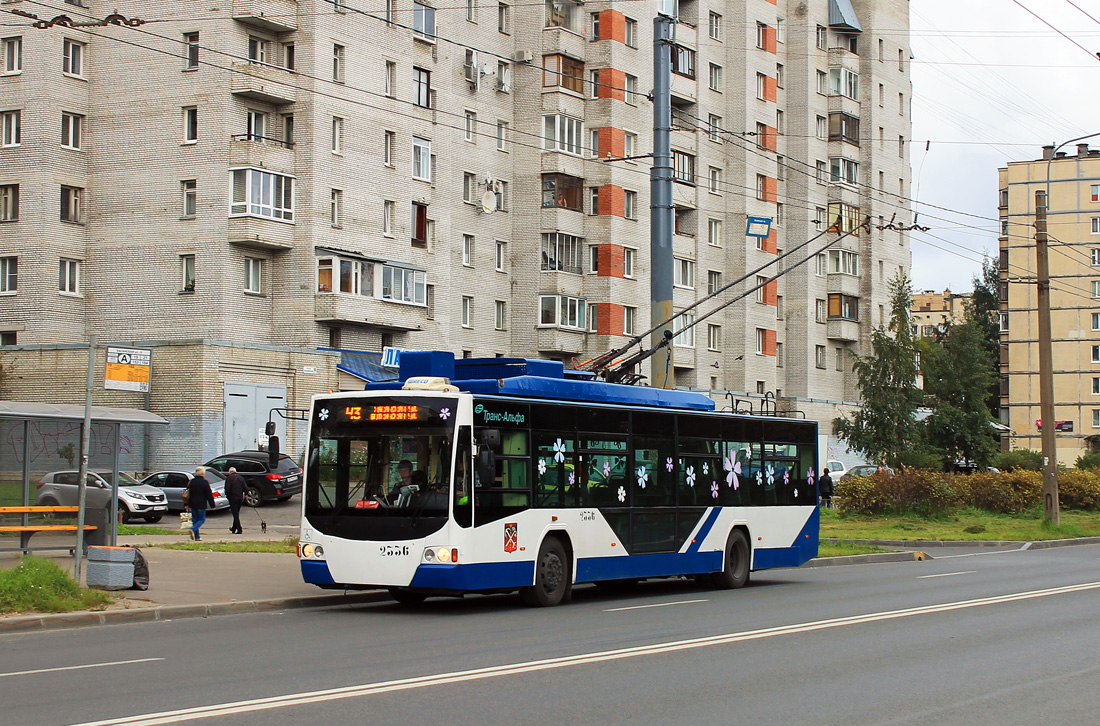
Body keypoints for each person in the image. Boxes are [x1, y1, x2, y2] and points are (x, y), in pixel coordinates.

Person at [186, 466, 216, 540]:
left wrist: (186, 504)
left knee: (195, 520)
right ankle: (193, 529)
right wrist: (212, 505)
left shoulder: (191, 481)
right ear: (203, 474)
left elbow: (187, 494)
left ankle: (197, 537)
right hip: (201, 504)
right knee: (202, 519)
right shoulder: (205, 482)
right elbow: (209, 494)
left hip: (192, 503)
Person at [224, 466, 247, 534]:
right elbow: (246, 488)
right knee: (236, 513)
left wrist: (227, 496)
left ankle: (239, 529)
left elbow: (227, 489)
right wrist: (245, 494)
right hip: (240, 498)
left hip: (232, 498)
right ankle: (234, 528)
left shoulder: (228, 478)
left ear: (230, 472)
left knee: (235, 514)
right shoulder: (241, 478)